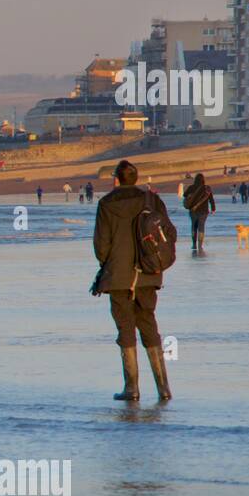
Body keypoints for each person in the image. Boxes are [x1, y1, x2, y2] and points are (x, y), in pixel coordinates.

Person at [91, 160, 172, 402]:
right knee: (149, 326)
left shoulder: (106, 203)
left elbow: (101, 244)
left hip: (118, 277)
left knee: (125, 329)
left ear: (116, 179)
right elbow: (167, 233)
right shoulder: (152, 200)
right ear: (135, 178)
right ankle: (163, 387)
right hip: (148, 272)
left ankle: (132, 388)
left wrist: (109, 265)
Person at [182, 172, 215, 252]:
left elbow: (184, 195)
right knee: (201, 226)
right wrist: (213, 209)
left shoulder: (191, 187)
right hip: (204, 211)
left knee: (194, 226)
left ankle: (194, 244)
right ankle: (200, 245)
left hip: (193, 210)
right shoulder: (207, 188)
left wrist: (191, 195)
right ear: (203, 180)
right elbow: (211, 200)